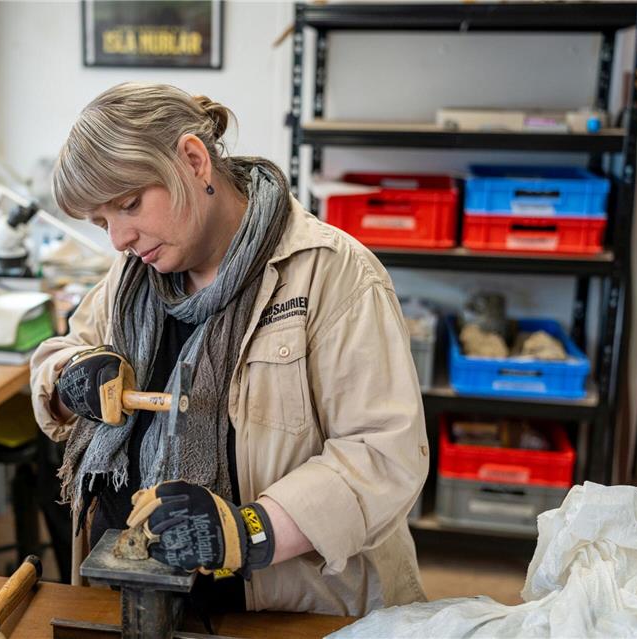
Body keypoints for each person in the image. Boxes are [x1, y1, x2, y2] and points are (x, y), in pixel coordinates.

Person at [30, 82, 429, 616]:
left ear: (193, 161)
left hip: (279, 607)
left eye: (129, 205)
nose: (119, 238)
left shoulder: (334, 274)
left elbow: (382, 453)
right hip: (134, 590)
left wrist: (249, 532)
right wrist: (68, 375)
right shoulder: (134, 275)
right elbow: (64, 355)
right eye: (103, 222)